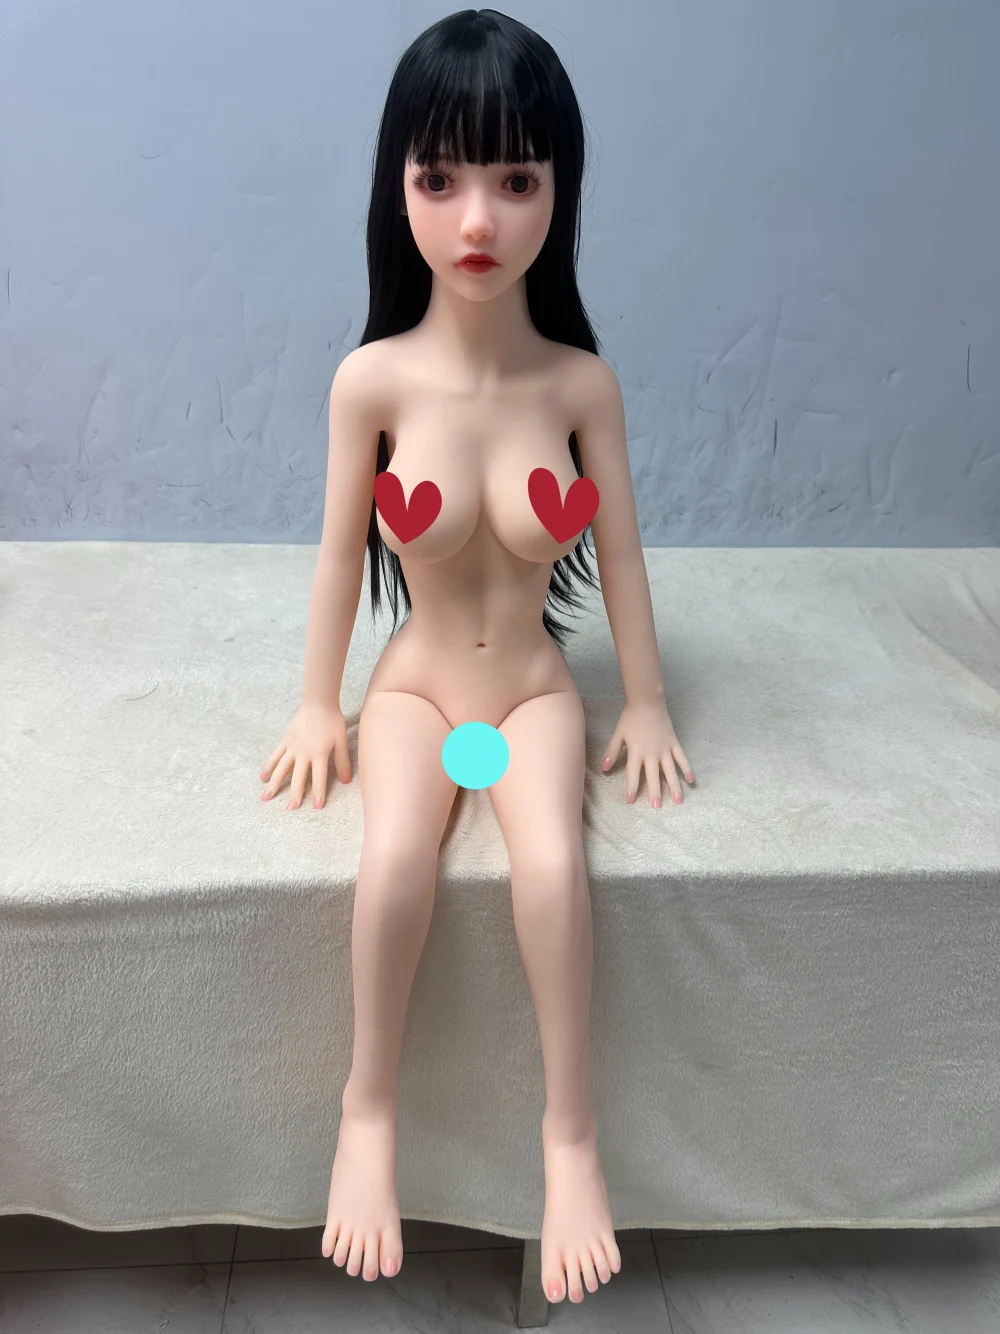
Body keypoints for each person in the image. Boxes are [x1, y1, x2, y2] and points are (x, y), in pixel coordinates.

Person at [258, 7, 694, 1306]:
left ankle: (572, 1139)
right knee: (395, 861)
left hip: (535, 692)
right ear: (397, 185)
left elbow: (624, 563)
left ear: (561, 187)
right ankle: (367, 1110)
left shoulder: (581, 387)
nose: (479, 221)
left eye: (517, 179)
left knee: (553, 871)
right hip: (417, 688)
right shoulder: (371, 383)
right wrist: (315, 703)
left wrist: (649, 700)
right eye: (440, 177)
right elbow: (338, 561)